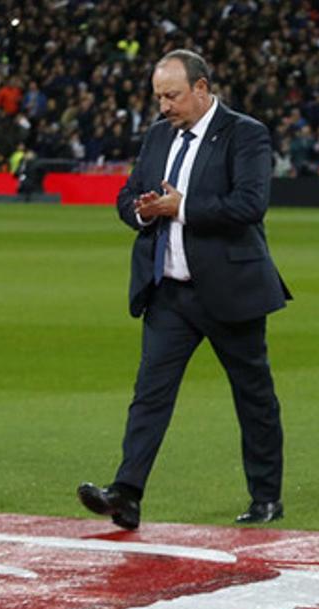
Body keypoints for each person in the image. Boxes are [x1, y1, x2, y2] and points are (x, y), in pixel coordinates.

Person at [77, 50, 291, 530]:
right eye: (158, 97)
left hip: (230, 290)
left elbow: (250, 205)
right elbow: (127, 195)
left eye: (171, 95)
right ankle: (126, 494)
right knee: (149, 395)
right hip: (169, 292)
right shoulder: (158, 135)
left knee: (253, 396)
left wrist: (182, 206)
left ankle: (266, 497)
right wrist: (143, 210)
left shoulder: (246, 133)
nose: (164, 106)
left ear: (201, 88)